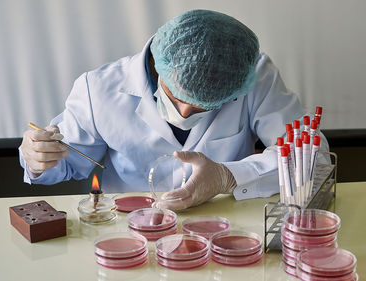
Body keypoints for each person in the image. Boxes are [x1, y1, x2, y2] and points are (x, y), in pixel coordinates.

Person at [20, 9, 327, 211]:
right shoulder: (97, 89)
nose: (184, 111)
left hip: (224, 222)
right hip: (132, 226)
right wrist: (38, 159)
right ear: (156, 62)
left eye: (204, 106)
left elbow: (314, 158)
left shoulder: (253, 74)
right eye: (176, 94)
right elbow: (67, 165)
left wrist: (226, 176)